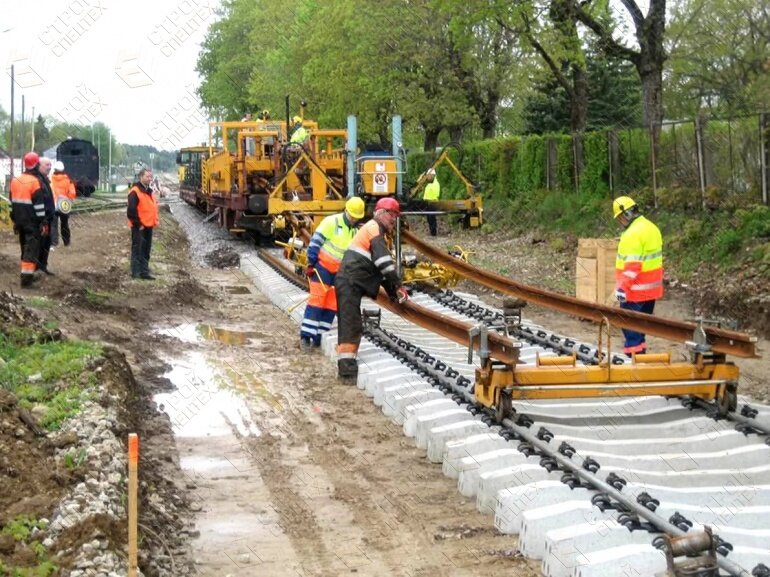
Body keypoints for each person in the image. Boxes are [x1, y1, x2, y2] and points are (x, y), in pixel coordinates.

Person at [335, 197, 409, 381]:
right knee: (350, 326)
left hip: (352, 281)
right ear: (382, 213)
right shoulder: (374, 229)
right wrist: (398, 285)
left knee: (351, 323)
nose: (394, 220)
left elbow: (379, 270)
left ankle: (347, 369)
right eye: (392, 215)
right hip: (350, 282)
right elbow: (384, 264)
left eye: (396, 216)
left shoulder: (374, 230)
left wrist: (392, 291)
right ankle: (347, 373)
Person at [300, 197, 366, 351]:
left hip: (340, 273)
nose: (354, 219)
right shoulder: (331, 222)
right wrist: (311, 263)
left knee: (332, 304)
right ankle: (306, 337)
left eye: (357, 218)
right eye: (352, 216)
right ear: (346, 211)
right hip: (323, 268)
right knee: (317, 301)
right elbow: (315, 243)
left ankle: (319, 336)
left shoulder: (355, 230)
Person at [613, 195, 663, 356]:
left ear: (624, 215)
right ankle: (640, 358)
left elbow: (631, 267)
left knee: (630, 329)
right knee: (641, 327)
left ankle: (634, 363)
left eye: (619, 218)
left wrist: (621, 289)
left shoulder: (631, 234)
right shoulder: (652, 228)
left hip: (634, 292)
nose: (620, 222)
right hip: (651, 291)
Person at [9, 152, 47, 288]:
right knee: (31, 250)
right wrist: (43, 222)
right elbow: (39, 207)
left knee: (24, 247)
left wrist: (14, 220)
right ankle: (26, 280)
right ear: (36, 164)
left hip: (19, 221)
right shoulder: (34, 182)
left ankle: (26, 275)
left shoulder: (15, 180)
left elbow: (11, 203)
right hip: (32, 222)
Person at [127, 168, 160, 280]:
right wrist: (138, 224)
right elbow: (131, 211)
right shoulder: (135, 191)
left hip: (149, 225)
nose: (149, 178)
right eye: (147, 176)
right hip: (139, 226)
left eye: (151, 176)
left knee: (146, 249)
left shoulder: (149, 191)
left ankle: (144, 272)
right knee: (137, 249)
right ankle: (136, 272)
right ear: (141, 177)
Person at [35, 157, 56, 275]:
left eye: (50, 165)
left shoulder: (45, 179)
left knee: (46, 243)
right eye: (47, 165)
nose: (49, 167)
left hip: (47, 218)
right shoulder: (38, 180)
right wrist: (42, 220)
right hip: (40, 219)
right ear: (39, 165)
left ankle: (43, 266)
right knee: (40, 244)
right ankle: (37, 268)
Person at [50, 160, 76, 248]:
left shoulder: (50, 179)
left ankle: (53, 243)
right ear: (63, 169)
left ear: (54, 169)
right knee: (64, 224)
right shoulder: (68, 180)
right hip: (64, 205)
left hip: (53, 205)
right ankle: (67, 243)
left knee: (53, 225)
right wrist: (68, 200)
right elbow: (72, 193)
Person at [422, 167, 440, 236]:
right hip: (428, 203)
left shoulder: (435, 184)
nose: (428, 177)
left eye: (429, 175)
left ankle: (433, 233)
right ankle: (432, 232)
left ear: (432, 175)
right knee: (429, 218)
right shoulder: (430, 183)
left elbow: (435, 195)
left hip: (432, 202)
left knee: (432, 217)